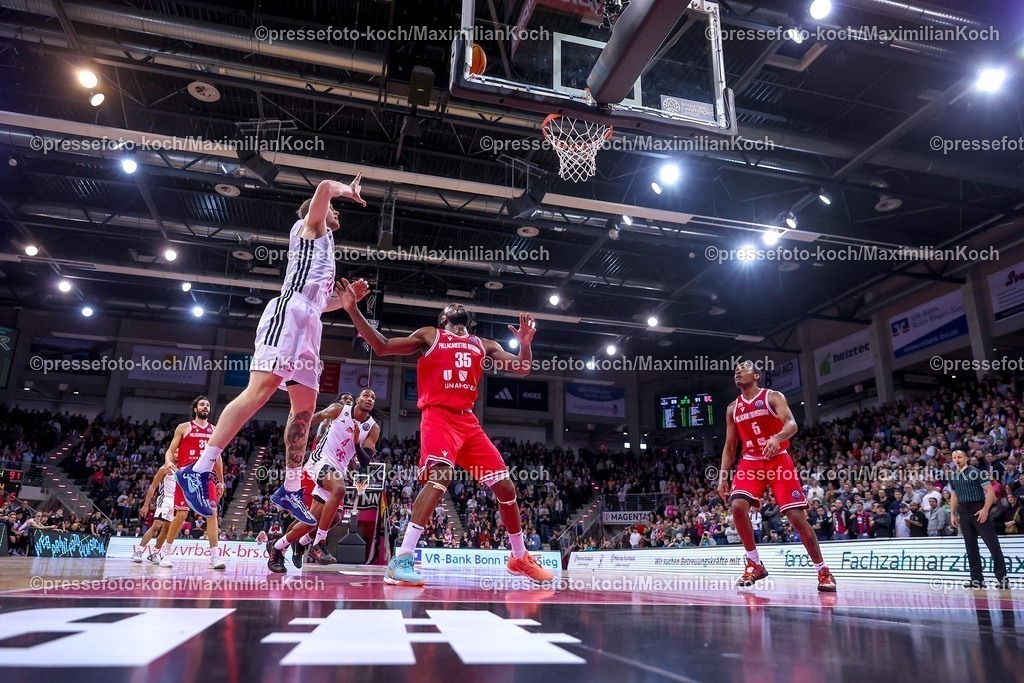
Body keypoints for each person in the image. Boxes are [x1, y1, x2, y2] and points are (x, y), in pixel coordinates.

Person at [175, 175, 366, 527]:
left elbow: (319, 305)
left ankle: (291, 488)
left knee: (305, 409)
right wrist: (345, 191)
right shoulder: (310, 227)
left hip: (309, 320)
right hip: (289, 314)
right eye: (334, 210)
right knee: (260, 391)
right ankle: (198, 469)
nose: (338, 213)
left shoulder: (324, 250)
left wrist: (344, 301)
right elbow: (324, 186)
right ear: (317, 213)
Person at [338, 281, 554, 585]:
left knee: (506, 487)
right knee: (440, 478)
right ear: (443, 319)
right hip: (438, 417)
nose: (456, 307)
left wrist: (526, 343)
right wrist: (353, 310)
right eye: (450, 309)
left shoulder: (484, 344)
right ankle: (401, 560)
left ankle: (519, 557)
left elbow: (521, 369)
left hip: (468, 423)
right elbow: (382, 347)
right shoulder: (431, 335)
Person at [717, 360, 836, 592]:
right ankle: (754, 563)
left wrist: (777, 438)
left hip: (778, 458)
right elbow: (730, 446)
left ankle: (822, 570)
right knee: (738, 506)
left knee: (796, 518)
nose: (738, 372)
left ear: (757, 375)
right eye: (736, 371)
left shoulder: (773, 397)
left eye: (744, 369)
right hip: (750, 462)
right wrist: (722, 478)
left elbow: (792, 424)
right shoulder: (733, 408)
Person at [266, 389, 380, 572]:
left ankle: (278, 547)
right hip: (321, 461)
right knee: (339, 490)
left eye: (373, 397)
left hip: (338, 469)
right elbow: (314, 418)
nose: (369, 399)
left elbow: (365, 461)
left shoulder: (372, 427)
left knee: (314, 520)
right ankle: (319, 543)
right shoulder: (338, 410)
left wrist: (357, 442)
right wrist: (295, 433)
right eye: (366, 395)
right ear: (358, 399)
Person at [157, 397, 226, 570]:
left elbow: (217, 457)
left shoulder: (215, 430)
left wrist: (221, 481)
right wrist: (168, 461)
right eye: (202, 404)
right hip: (186, 475)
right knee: (180, 515)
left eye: (208, 405)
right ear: (195, 409)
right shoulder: (184, 427)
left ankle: (214, 558)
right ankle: (166, 552)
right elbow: (170, 451)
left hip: (206, 477)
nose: (206, 407)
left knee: (212, 514)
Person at [948, 449, 1008, 589]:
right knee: (970, 547)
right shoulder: (953, 475)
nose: (957, 460)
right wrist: (952, 514)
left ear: (966, 458)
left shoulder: (976, 472)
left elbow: (990, 491)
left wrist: (985, 510)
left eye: (959, 457)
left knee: (992, 545)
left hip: (978, 508)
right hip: (963, 511)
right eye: (954, 457)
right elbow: (954, 496)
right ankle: (977, 579)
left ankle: (1002, 579)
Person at [131, 463, 176, 564]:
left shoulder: (182, 469)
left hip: (175, 502)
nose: (177, 454)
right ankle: (139, 551)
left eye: (179, 452)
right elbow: (153, 487)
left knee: (166, 530)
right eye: (175, 452)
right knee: (156, 526)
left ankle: (154, 553)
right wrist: (146, 505)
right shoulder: (164, 468)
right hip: (164, 500)